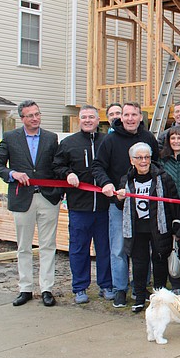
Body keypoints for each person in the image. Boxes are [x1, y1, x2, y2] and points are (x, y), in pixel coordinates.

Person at [0, 100, 63, 307]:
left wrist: (61, 190)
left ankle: (47, 289)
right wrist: (12, 173)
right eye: (30, 115)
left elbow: (57, 166)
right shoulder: (11, 138)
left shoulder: (51, 138)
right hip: (22, 198)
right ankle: (26, 288)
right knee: (23, 247)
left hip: (48, 198)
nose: (35, 118)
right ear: (22, 118)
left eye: (37, 114)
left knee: (48, 245)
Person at [91, 101, 160, 309]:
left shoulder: (148, 138)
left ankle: (141, 286)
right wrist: (107, 183)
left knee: (144, 247)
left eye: (134, 115)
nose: (130, 119)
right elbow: (98, 166)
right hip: (119, 203)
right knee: (119, 247)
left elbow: (156, 164)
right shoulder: (110, 140)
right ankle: (120, 288)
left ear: (140, 117)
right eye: (126, 115)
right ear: (121, 117)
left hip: (144, 203)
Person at [52, 104, 113, 304]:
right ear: (79, 120)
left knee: (105, 248)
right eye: (84, 117)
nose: (88, 120)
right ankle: (80, 287)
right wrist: (67, 173)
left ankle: (106, 285)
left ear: (98, 120)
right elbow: (57, 166)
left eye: (92, 117)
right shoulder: (69, 143)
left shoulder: (107, 141)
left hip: (104, 207)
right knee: (79, 248)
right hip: (79, 207)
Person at [115, 143, 180, 313]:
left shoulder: (163, 177)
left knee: (159, 261)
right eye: (139, 158)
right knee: (139, 263)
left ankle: (159, 297)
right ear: (132, 160)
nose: (144, 161)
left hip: (159, 227)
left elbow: (173, 201)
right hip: (137, 229)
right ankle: (139, 297)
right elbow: (119, 204)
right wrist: (120, 198)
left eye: (147, 157)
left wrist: (175, 225)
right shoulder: (126, 179)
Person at [159, 126, 180, 293]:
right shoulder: (162, 161)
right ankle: (175, 282)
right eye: (173, 138)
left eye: (179, 138)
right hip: (168, 207)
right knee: (171, 245)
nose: (176, 141)